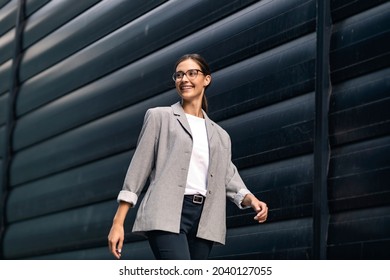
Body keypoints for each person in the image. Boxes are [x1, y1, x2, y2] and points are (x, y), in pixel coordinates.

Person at [108, 53, 268, 260]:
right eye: (179, 75)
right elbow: (138, 171)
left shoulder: (220, 135)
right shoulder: (159, 117)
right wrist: (118, 223)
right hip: (166, 213)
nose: (184, 79)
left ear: (206, 79)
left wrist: (251, 199)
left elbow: (228, 177)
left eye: (192, 73)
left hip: (205, 220)